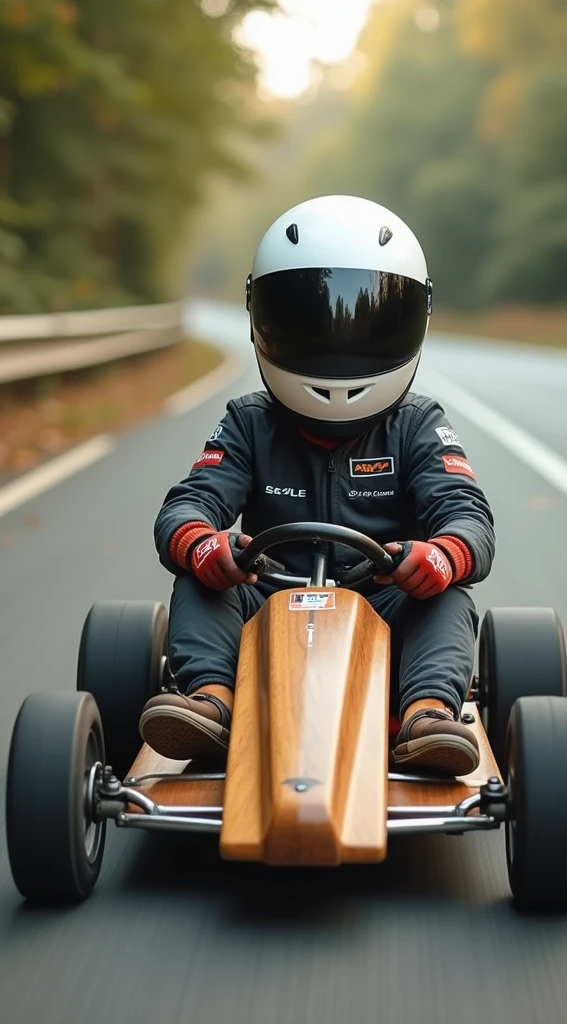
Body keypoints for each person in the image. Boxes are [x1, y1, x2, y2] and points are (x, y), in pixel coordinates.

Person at [139, 195, 495, 776]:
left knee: (447, 594)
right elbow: (188, 505)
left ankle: (426, 716)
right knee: (199, 581)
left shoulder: (418, 425)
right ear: (263, 316)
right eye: (314, 323)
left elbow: (468, 518)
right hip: (265, 601)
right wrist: (205, 547)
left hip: (382, 605)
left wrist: (440, 556)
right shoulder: (249, 422)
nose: (339, 348)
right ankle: (213, 702)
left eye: (365, 324)